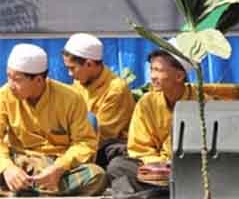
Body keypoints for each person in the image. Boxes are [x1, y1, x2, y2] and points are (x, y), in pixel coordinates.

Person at [0, 43, 107, 196]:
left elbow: (85, 143)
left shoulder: (70, 99)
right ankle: (38, 191)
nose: (11, 85)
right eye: (8, 77)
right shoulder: (4, 96)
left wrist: (59, 168)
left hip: (56, 167)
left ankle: (25, 192)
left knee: (97, 176)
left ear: (38, 80)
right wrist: (7, 168)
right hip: (19, 164)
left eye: (17, 80)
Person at [106, 45, 202, 196]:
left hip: (188, 170)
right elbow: (139, 147)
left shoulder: (202, 105)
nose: (152, 76)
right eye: (151, 69)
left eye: (158, 70)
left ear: (179, 76)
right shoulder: (147, 102)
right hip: (154, 169)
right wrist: (157, 165)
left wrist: (170, 165)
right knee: (117, 166)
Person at [63, 33, 135, 167]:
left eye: (72, 68)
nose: (70, 74)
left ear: (89, 64)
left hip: (105, 149)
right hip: (78, 144)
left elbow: (101, 134)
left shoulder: (116, 89)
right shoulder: (79, 83)